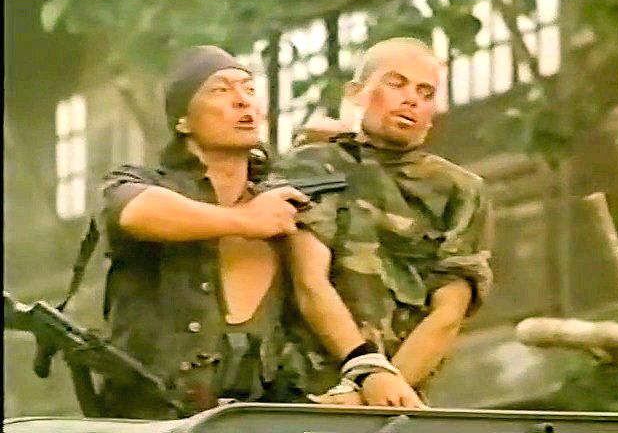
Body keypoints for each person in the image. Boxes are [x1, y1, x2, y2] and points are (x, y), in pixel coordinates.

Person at [278, 37, 493, 407]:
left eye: (425, 93)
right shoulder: (313, 165)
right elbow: (309, 282)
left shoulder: (460, 191)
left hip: (399, 397)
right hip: (308, 389)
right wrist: (367, 372)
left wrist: (380, 391)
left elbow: (448, 313)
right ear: (356, 93)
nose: (411, 100)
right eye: (397, 84)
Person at [99, 45, 311, 418]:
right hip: (150, 421)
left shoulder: (285, 204)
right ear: (183, 121)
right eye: (220, 89)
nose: (242, 101)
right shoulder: (142, 182)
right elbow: (135, 212)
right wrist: (247, 221)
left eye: (249, 89)